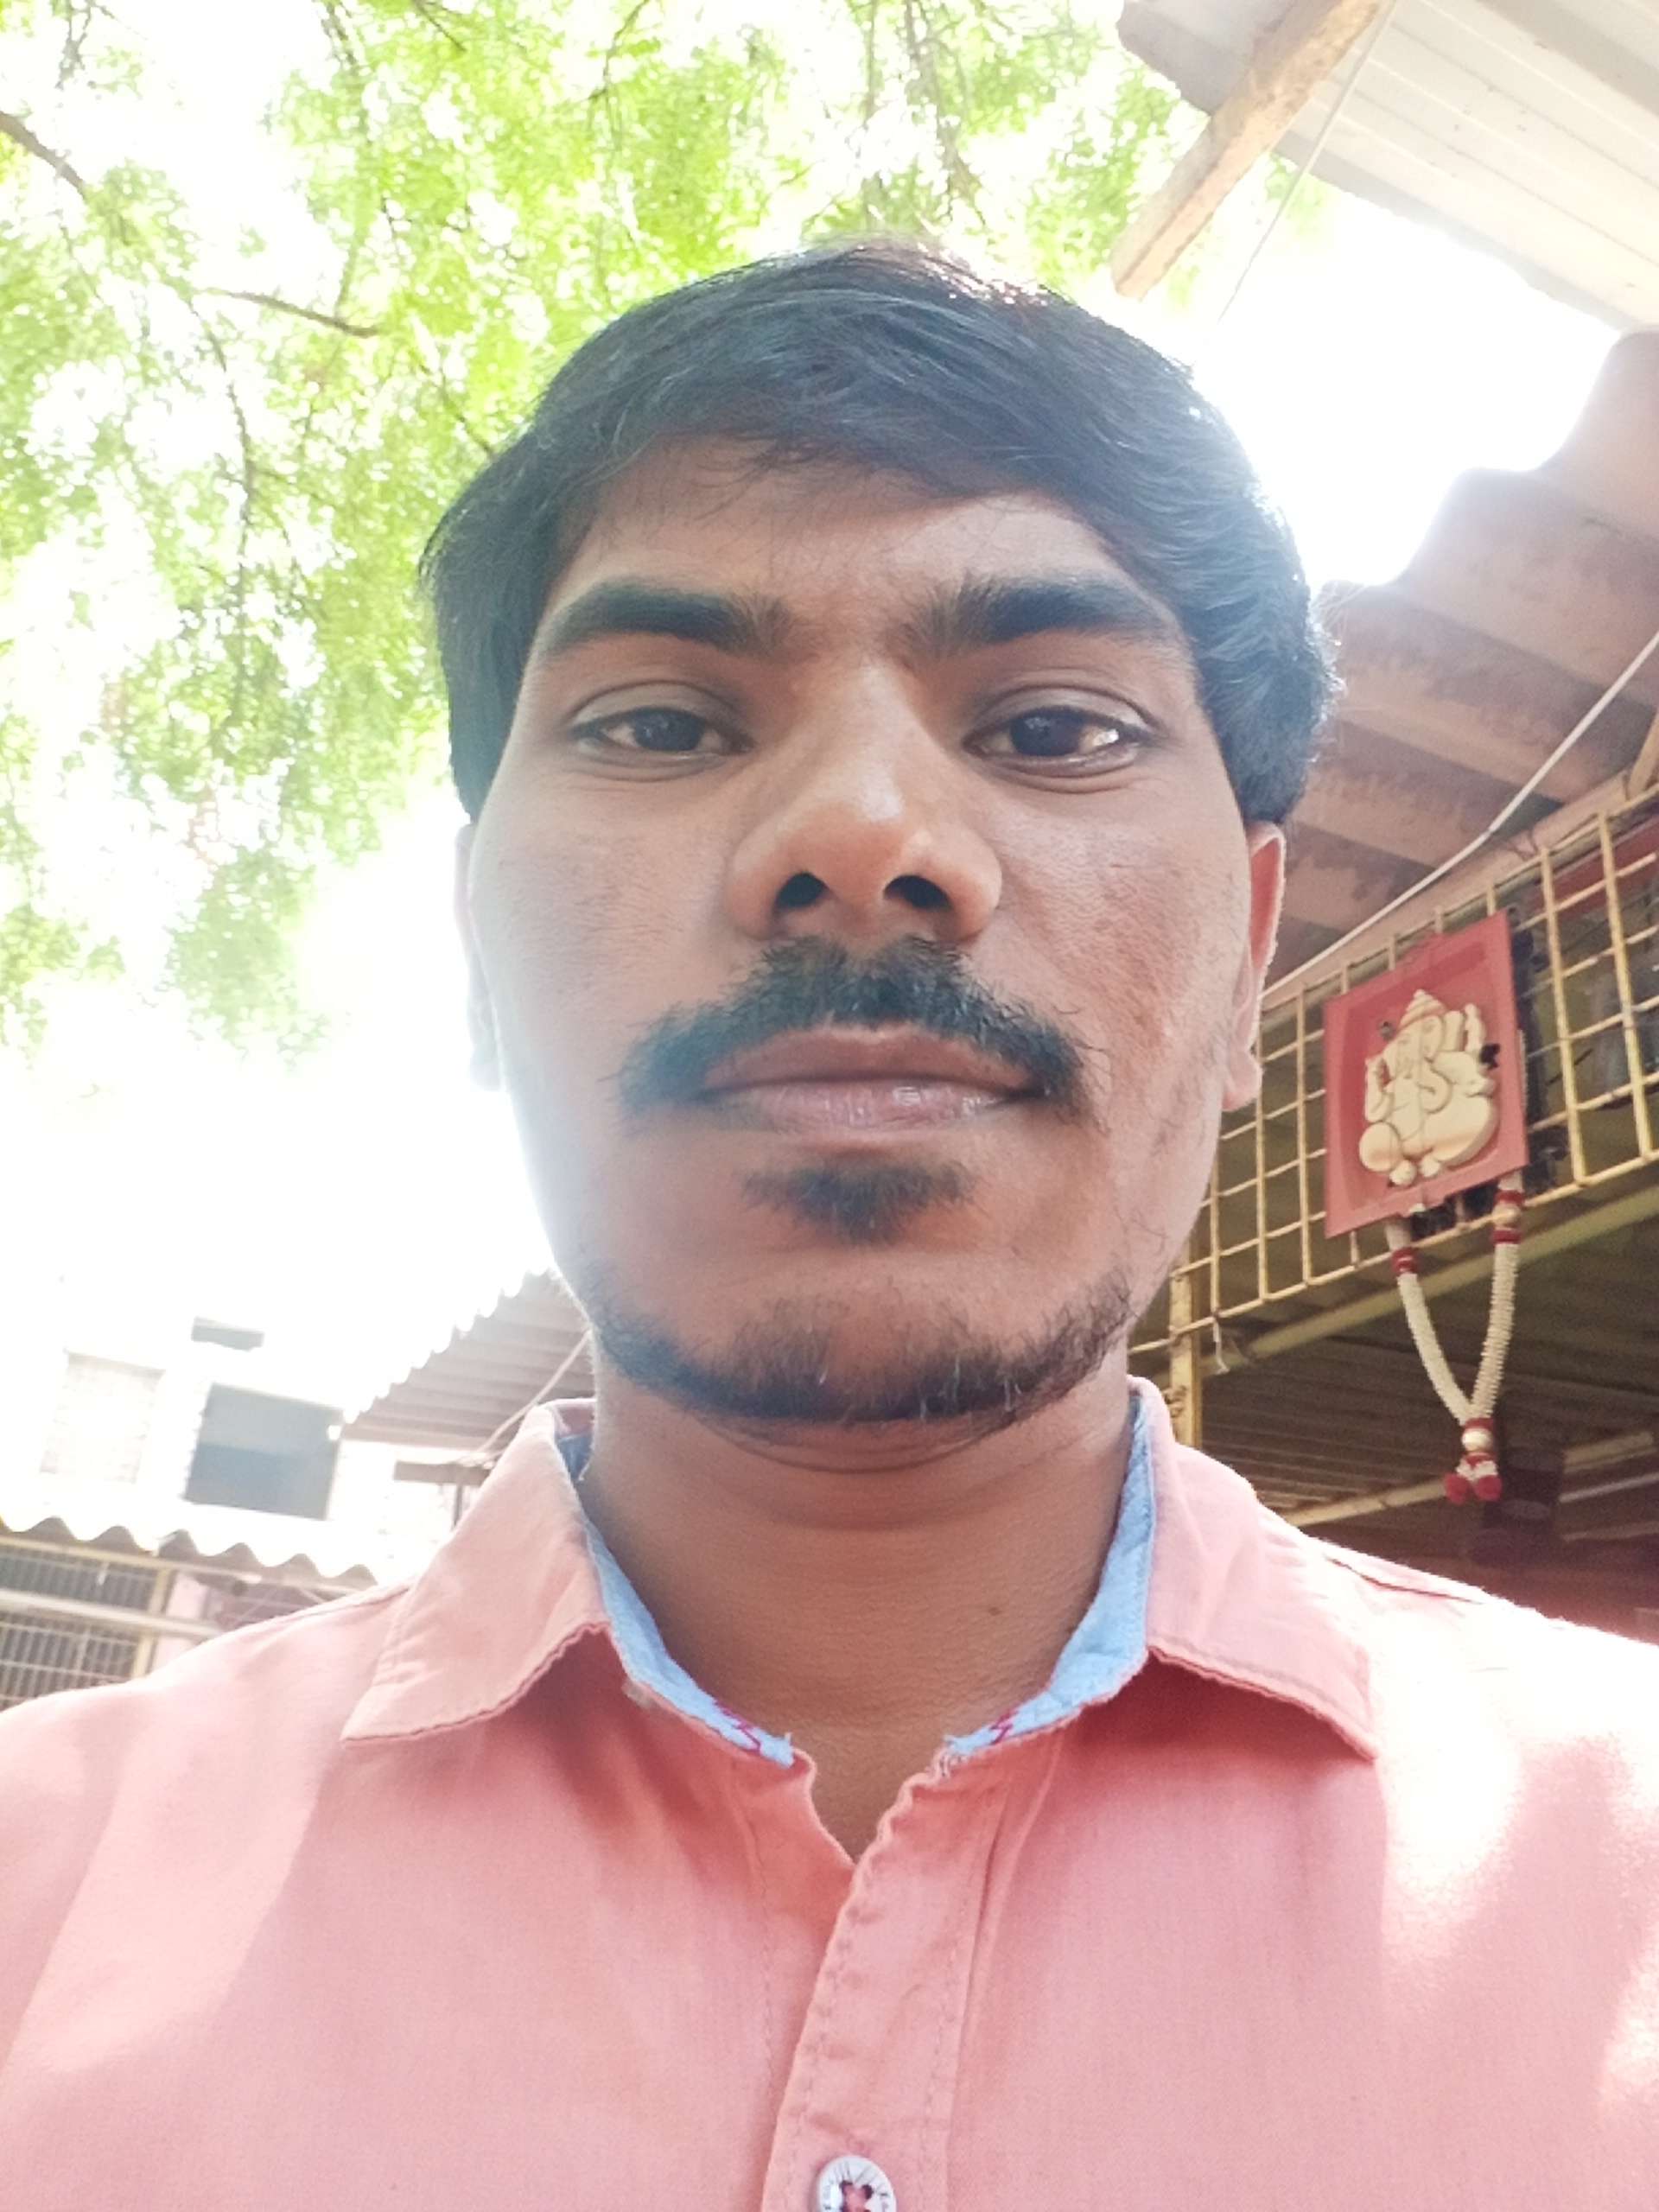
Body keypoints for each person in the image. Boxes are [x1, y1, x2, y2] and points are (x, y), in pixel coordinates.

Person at [1, 241, 1655, 2210]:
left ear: (1249, 959)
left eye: (1054, 726)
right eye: (660, 724)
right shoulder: (41, 1898)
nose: (862, 832)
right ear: (473, 957)